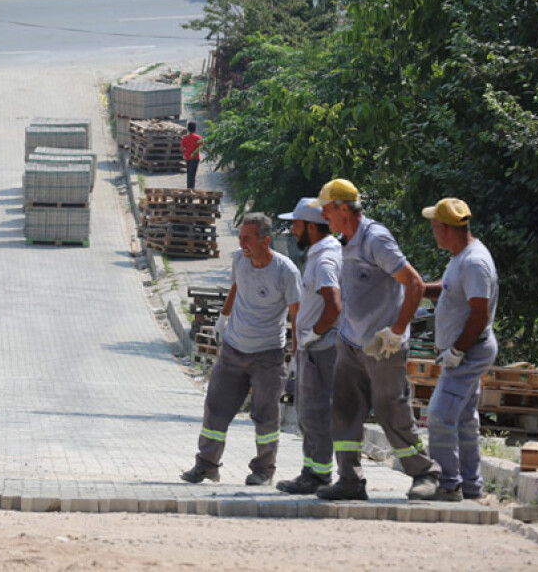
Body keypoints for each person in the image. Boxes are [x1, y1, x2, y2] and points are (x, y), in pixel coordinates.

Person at [311, 179, 443, 501]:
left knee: (390, 410)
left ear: (344, 208)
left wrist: (396, 332)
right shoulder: (344, 242)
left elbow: (414, 284)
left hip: (383, 346)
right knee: (344, 410)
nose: (323, 215)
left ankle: (425, 473)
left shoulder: (375, 240)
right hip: (351, 342)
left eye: (327, 209)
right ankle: (350, 480)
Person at [181, 213, 300, 486]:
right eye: (240, 237)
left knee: (266, 415)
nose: (241, 243)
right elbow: (236, 286)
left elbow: (297, 314)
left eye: (247, 238)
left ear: (265, 240)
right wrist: (223, 318)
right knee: (216, 407)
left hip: (268, 355)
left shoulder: (286, 272)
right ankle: (207, 464)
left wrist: (297, 354)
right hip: (233, 350)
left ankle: (263, 469)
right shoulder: (239, 259)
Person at [422, 198, 497, 501]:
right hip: (469, 350)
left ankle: (449, 483)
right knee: (465, 420)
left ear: (444, 228)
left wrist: (456, 351)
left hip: (469, 352)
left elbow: (479, 313)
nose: (432, 232)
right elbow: (454, 288)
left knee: (439, 417)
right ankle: (470, 484)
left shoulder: (474, 262)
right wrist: (422, 288)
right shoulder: (461, 257)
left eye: (433, 227)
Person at [275, 198, 343, 494]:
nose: (292, 230)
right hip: (316, 346)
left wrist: (314, 334)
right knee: (311, 411)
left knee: (314, 412)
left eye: (297, 225)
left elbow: (334, 305)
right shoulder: (324, 253)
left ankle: (316, 474)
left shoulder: (325, 259)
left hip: (321, 348)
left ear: (312, 228)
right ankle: (315, 470)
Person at [181, 122, 202, 190]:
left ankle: (189, 189)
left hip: (188, 158)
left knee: (189, 174)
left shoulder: (184, 138)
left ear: (188, 129)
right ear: (195, 129)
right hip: (195, 158)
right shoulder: (198, 137)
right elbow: (203, 147)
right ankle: (191, 189)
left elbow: (182, 149)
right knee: (193, 174)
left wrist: (186, 151)